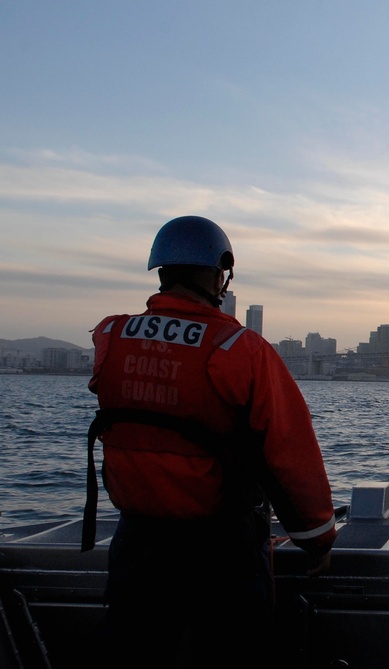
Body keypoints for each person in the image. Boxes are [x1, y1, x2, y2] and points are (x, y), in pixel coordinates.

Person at [85, 215, 337, 668]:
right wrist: (316, 538)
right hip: (221, 551)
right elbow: (291, 456)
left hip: (137, 543)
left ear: (160, 271)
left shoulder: (110, 336)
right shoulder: (241, 349)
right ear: (218, 274)